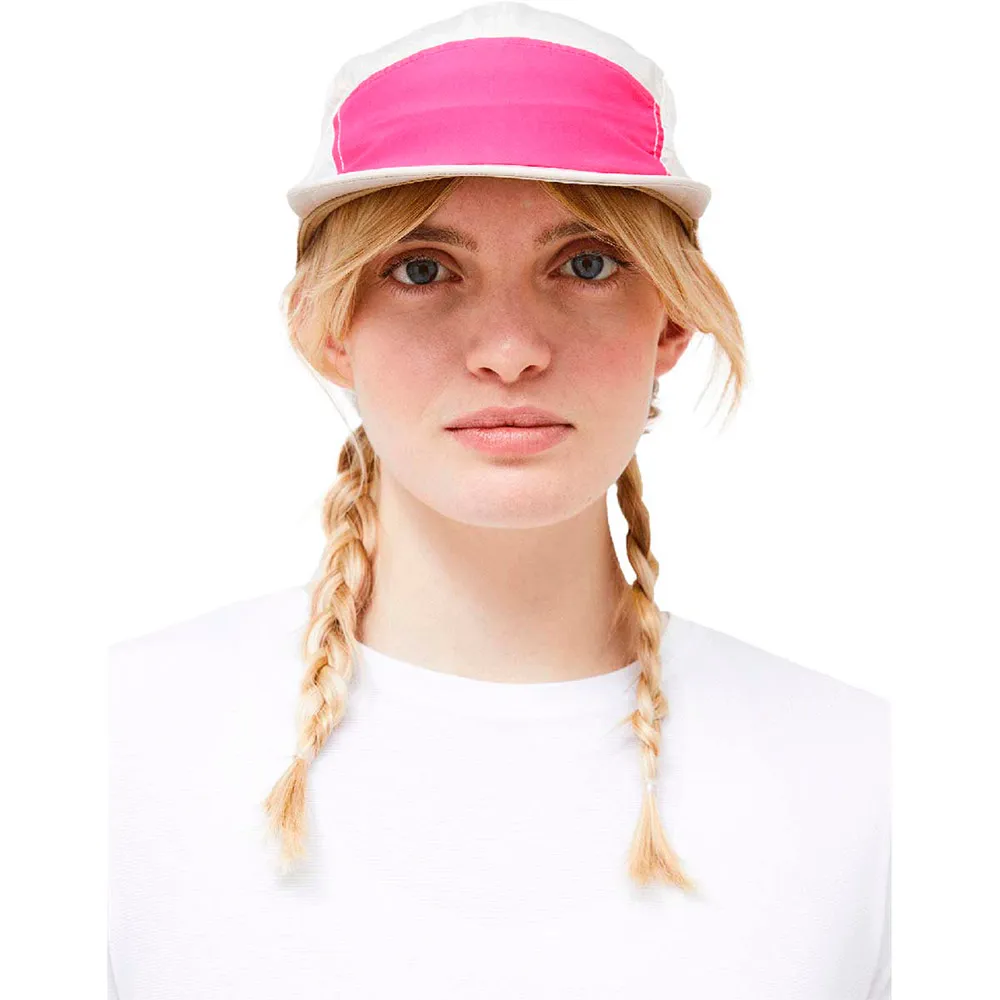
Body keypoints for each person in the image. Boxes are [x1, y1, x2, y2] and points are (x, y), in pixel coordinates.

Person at [107, 2, 890, 997]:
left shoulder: (865, 773)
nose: (511, 349)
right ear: (327, 326)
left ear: (671, 323)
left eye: (587, 264)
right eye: (422, 269)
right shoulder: (113, 744)